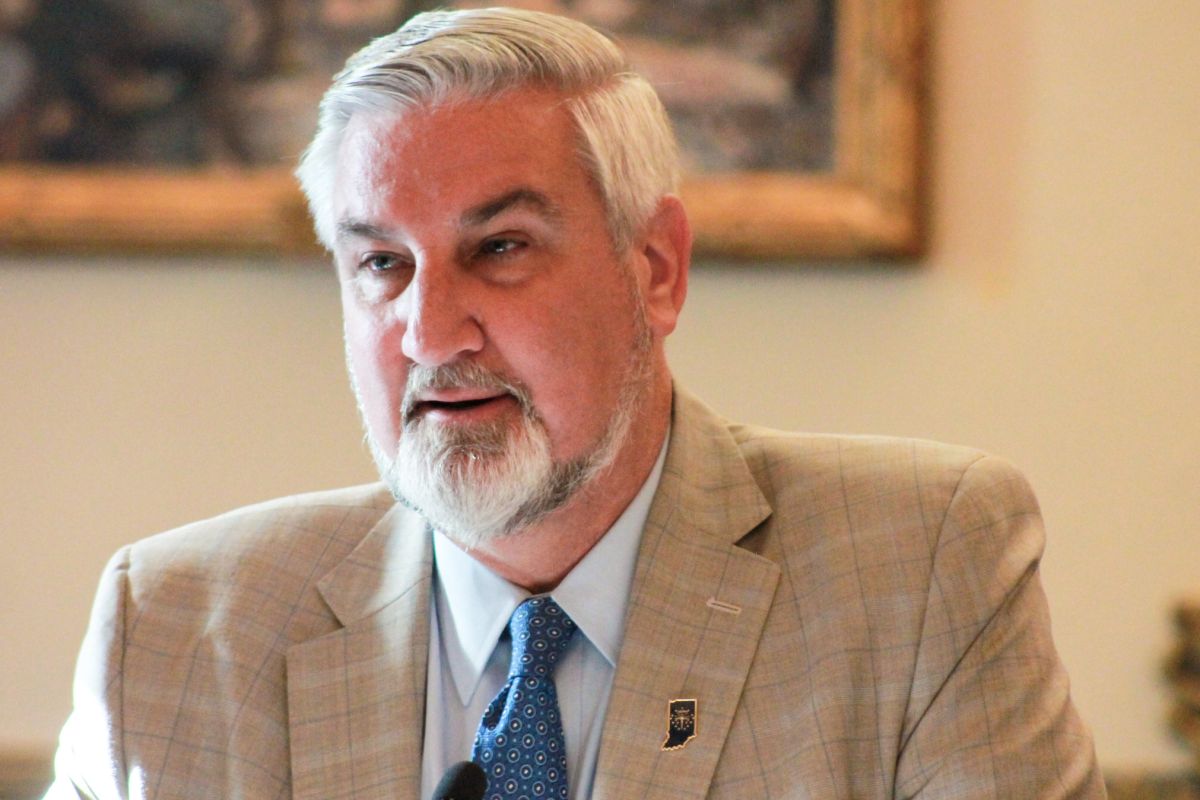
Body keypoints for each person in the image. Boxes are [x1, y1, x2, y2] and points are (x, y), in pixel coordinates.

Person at [45, 7, 1105, 799]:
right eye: (381, 263)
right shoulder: (179, 624)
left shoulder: (919, 565)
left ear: (655, 268)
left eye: (499, 248)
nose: (430, 331)